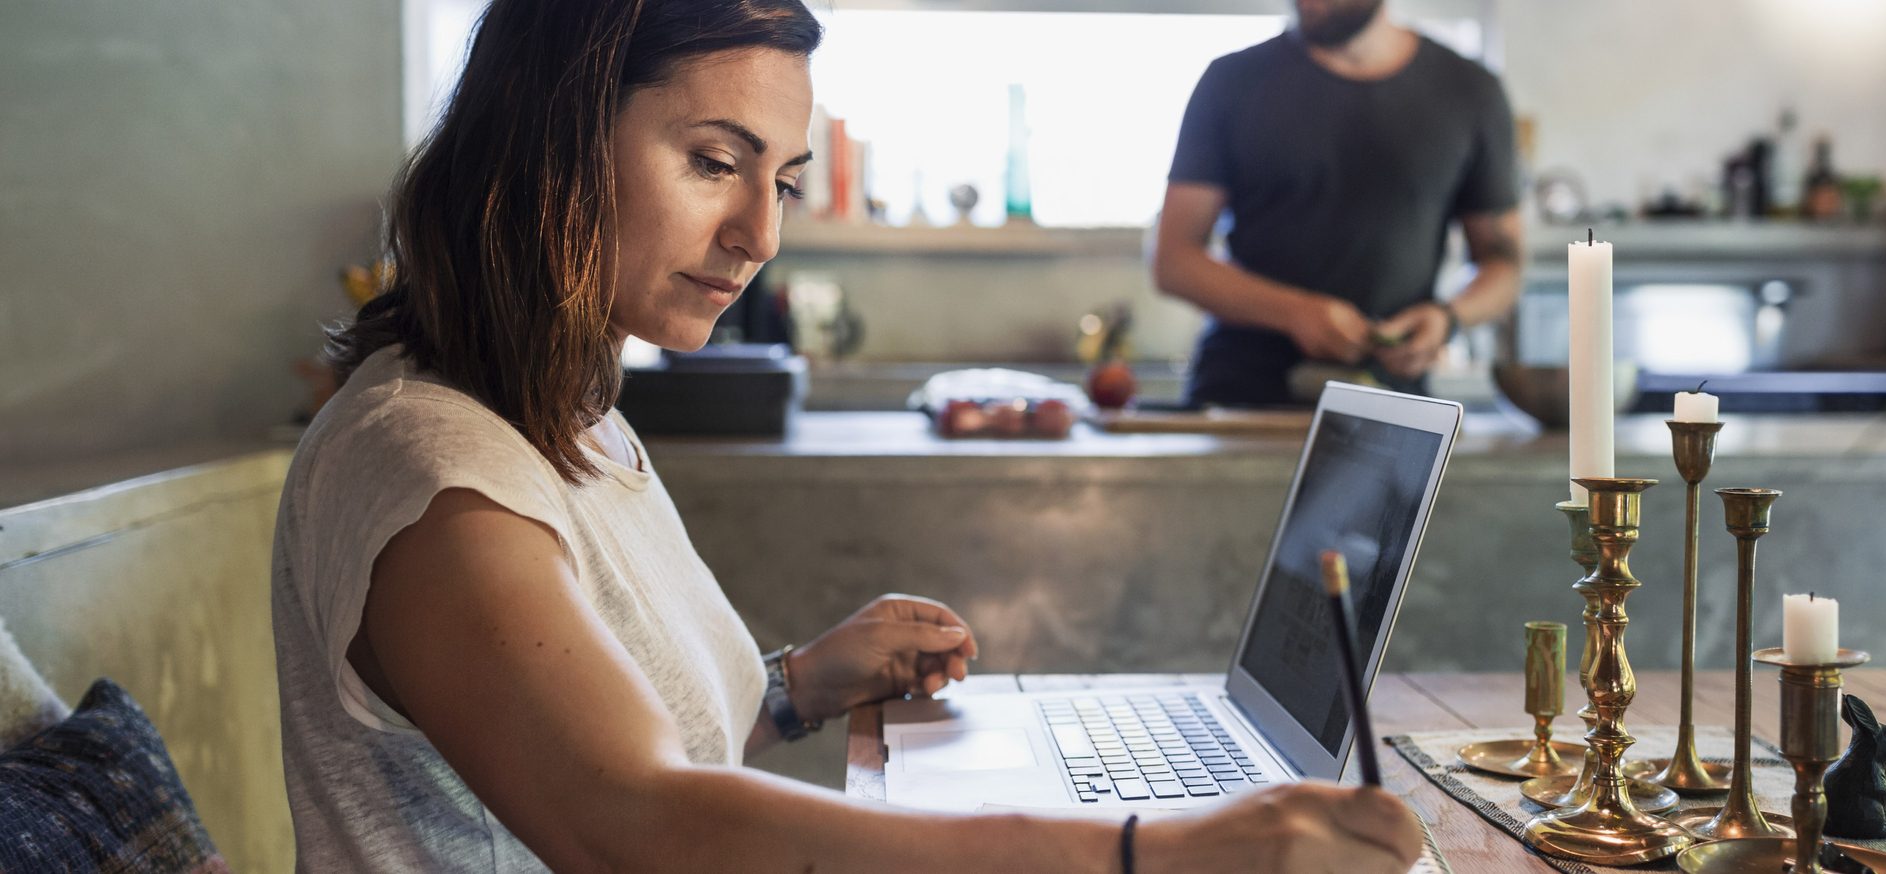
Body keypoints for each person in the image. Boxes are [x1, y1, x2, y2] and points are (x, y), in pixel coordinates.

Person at [270, 0, 1430, 870]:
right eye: (715, 161)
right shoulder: (433, 469)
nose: (756, 233)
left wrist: (797, 684)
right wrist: (1156, 854)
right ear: (550, 140)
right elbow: (635, 820)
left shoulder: (567, 421)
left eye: (781, 180)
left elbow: (614, 729)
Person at [1151, 0, 1525, 406]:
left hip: (1391, 405)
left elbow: (1503, 265)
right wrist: (1293, 312)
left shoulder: (1470, 90)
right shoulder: (1231, 81)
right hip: (1240, 400)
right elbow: (1174, 260)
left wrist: (1447, 318)